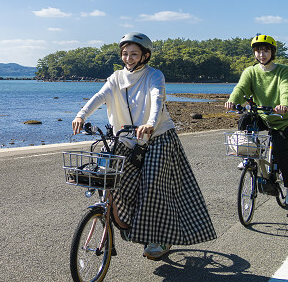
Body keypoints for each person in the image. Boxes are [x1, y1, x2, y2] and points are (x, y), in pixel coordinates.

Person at [72, 32, 216, 260]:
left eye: (134, 54)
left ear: (145, 56)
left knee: (153, 185)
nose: (128, 58)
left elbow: (157, 99)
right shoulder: (116, 78)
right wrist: (81, 115)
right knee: (107, 172)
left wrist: (149, 124)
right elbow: (100, 96)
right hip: (126, 137)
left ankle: (159, 238)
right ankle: (127, 221)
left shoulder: (154, 75)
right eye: (125, 54)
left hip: (157, 136)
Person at [224, 34, 288, 206]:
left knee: (281, 152)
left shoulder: (283, 70)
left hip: (283, 120)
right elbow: (241, 88)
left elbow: (286, 90)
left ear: (272, 52)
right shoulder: (251, 71)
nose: (261, 55)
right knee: (245, 119)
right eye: (258, 51)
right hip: (263, 116)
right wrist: (232, 101)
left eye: (266, 51)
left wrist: (285, 104)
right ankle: (247, 154)